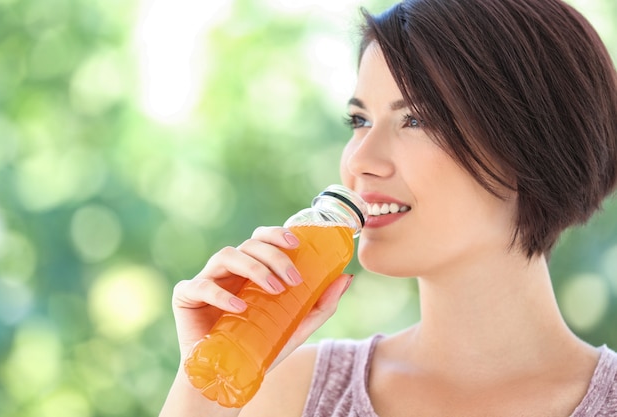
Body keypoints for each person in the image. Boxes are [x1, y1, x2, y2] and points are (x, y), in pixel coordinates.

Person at [160, 0, 617, 415]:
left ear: (534, 144)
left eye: (417, 119)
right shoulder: (288, 393)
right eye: (359, 120)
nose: (359, 160)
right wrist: (203, 392)